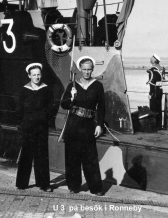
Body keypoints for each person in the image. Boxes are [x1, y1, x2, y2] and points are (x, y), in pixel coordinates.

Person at [60, 56, 104, 196]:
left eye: (89, 69)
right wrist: (71, 98)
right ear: (80, 69)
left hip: (88, 125)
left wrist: (99, 125)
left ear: (92, 70)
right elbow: (64, 104)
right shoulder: (72, 85)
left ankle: (95, 188)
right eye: (84, 69)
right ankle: (74, 186)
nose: (86, 72)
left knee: (90, 158)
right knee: (72, 157)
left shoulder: (97, 86)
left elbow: (102, 107)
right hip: (73, 124)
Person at [16, 63, 54, 192]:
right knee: (26, 154)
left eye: (39, 74)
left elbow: (51, 107)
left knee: (42, 155)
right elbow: (19, 109)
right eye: (34, 75)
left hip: (41, 126)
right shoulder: (23, 90)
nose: (37, 77)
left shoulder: (47, 89)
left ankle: (43, 184)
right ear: (29, 76)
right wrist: (21, 125)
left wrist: (44, 118)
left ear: (41, 75)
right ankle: (22, 183)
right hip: (27, 127)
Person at [148, 54, 163, 129]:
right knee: (159, 108)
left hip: (154, 90)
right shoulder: (160, 68)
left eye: (152, 58)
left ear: (154, 60)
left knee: (153, 108)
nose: (150, 58)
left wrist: (150, 94)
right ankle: (159, 125)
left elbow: (152, 82)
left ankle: (153, 126)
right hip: (160, 90)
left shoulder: (153, 69)